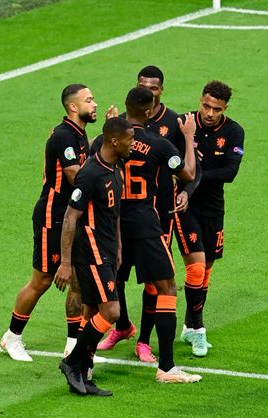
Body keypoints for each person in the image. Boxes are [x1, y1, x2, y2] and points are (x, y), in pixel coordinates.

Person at [97, 66, 201, 364]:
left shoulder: (111, 138)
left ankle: (85, 352)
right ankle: (164, 363)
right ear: (147, 109)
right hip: (145, 222)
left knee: (108, 281)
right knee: (163, 285)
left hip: (112, 222)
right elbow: (190, 172)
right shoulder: (159, 142)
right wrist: (190, 139)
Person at [0, 84, 97, 362]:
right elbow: (73, 175)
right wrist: (102, 182)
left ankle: (73, 345)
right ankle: (12, 337)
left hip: (73, 217)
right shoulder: (64, 135)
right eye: (89, 100)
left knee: (79, 280)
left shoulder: (79, 133)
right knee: (42, 281)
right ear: (73, 107)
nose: (95, 104)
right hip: (52, 218)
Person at [54, 116, 131, 396]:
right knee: (111, 311)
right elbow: (70, 217)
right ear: (114, 141)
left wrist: (119, 246)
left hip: (109, 250)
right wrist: (64, 262)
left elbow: (115, 212)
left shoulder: (115, 167)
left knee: (90, 312)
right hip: (92, 251)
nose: (133, 144)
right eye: (129, 139)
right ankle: (72, 362)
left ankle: (84, 376)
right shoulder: (89, 174)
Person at [175, 80, 244, 357]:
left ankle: (189, 326)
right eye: (206, 106)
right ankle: (200, 330)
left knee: (206, 272)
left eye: (216, 108)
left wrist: (196, 172)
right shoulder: (184, 124)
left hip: (214, 208)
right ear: (200, 100)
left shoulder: (234, 131)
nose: (210, 113)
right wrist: (188, 174)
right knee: (195, 267)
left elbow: (230, 172)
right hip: (185, 205)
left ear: (225, 108)